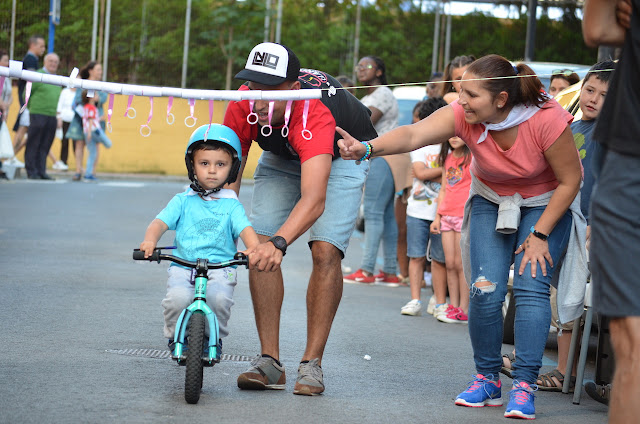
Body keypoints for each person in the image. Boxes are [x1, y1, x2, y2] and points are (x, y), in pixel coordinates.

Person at [337, 54, 586, 419]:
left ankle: (524, 385)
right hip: (490, 199)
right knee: (485, 290)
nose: (461, 101)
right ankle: (487, 378)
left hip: (547, 204)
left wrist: (540, 234)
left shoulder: (545, 118)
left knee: (532, 287)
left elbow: (571, 180)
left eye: (470, 94)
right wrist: (367, 148)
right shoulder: (463, 114)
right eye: (458, 92)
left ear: (501, 100)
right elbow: (412, 133)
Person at [223, 42, 377, 396]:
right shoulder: (243, 102)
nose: (258, 101)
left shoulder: (313, 110)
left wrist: (281, 242)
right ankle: (269, 362)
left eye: (269, 91)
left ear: (293, 89)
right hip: (281, 155)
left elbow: (314, 199)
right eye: (253, 86)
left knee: (325, 250)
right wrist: (224, 228)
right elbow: (229, 175)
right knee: (259, 248)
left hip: (342, 153)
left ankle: (312, 363)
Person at [500, 60, 617, 390]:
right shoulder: (572, 128)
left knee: (571, 299)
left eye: (604, 95)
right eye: (589, 90)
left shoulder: (613, 135)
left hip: (592, 228)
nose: (593, 98)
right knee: (547, 294)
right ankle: (532, 361)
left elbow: (608, 182)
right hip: (561, 221)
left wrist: (598, 222)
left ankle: (565, 372)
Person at [138, 124, 259, 358]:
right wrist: (150, 241)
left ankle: (215, 336)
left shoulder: (231, 204)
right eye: (204, 163)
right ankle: (176, 336)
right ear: (192, 166)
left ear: (232, 169)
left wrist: (253, 248)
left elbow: (245, 229)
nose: (212, 171)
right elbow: (159, 223)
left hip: (221, 267)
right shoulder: (183, 200)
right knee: (177, 299)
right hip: (184, 264)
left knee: (219, 299)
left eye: (220, 165)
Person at [584, 0, 640, 422]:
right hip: (627, 154)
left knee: (633, 344)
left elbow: (600, 27)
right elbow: (600, 27)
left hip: (627, 159)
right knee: (632, 343)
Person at [343, 55, 411, 286]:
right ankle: (390, 270)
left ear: (379, 71)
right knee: (386, 215)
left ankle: (367, 270)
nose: (361, 69)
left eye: (367, 66)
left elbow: (365, 121)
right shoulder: (371, 95)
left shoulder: (381, 93)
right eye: (359, 66)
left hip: (384, 155)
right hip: (392, 157)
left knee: (372, 211)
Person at [400, 98, 448, 316]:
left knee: (439, 259)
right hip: (418, 212)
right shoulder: (420, 145)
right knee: (417, 256)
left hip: (443, 211)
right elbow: (420, 173)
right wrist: (445, 172)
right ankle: (415, 299)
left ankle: (439, 302)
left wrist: (443, 174)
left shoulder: (451, 143)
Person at [431, 136, 472, 324]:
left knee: (462, 264)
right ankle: (453, 306)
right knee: (450, 263)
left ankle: (464, 309)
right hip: (446, 216)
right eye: (451, 133)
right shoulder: (447, 157)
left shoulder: (473, 157)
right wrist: (437, 217)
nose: (454, 138)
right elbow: (443, 189)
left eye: (459, 133)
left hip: (464, 216)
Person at [65, 61, 108, 181]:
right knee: (79, 143)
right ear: (91, 71)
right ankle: (78, 171)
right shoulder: (82, 83)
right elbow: (78, 98)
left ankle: (91, 172)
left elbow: (103, 99)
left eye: (101, 70)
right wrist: (88, 99)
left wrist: (95, 99)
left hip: (96, 120)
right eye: (98, 69)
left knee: (95, 145)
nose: (100, 72)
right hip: (81, 118)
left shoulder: (103, 86)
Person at [8, 35, 45, 168]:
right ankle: (9, 157)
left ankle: (11, 156)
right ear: (32, 45)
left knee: (27, 129)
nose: (43, 49)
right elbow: (32, 80)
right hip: (27, 101)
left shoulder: (32, 59)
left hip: (28, 100)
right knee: (23, 128)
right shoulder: (30, 59)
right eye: (41, 46)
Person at [24, 53, 62, 180]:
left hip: (52, 115)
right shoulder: (37, 75)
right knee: (34, 142)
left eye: (55, 62)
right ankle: (31, 171)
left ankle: (41, 171)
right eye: (50, 61)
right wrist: (32, 109)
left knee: (46, 144)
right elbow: (26, 93)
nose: (53, 64)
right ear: (45, 61)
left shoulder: (58, 79)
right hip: (37, 113)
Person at [55, 84, 76, 169]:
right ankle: (63, 162)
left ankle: (78, 164)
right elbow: (59, 104)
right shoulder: (65, 91)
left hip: (75, 121)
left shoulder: (78, 92)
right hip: (64, 119)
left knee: (76, 143)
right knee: (64, 142)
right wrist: (59, 118)